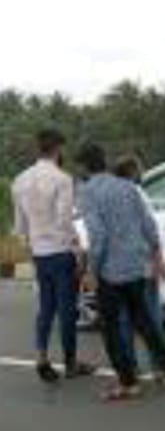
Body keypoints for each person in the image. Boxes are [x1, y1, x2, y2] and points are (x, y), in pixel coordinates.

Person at [77, 143, 165, 401]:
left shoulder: (88, 192)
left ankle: (128, 382)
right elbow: (147, 223)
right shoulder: (127, 186)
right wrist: (155, 254)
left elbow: (97, 235)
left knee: (111, 328)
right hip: (136, 264)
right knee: (144, 321)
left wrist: (92, 269)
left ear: (84, 167)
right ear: (104, 160)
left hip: (110, 270)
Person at [11, 128, 96, 383]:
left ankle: (41, 357)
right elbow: (64, 220)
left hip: (39, 252)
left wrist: (33, 246)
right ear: (58, 148)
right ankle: (70, 363)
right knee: (67, 309)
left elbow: (20, 226)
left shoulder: (20, 180)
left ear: (38, 147)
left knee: (46, 307)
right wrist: (78, 248)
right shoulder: (62, 179)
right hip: (60, 251)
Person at [113, 155, 165, 374]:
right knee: (151, 314)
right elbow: (149, 227)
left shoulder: (111, 195)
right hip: (142, 262)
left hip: (119, 267)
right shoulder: (137, 193)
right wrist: (158, 257)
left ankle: (129, 364)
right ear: (134, 172)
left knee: (125, 317)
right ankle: (159, 362)